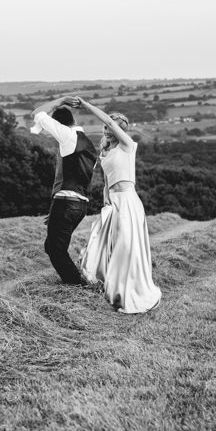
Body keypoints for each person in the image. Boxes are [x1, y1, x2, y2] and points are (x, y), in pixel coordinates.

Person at [75, 97, 162, 313]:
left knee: (126, 245)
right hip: (114, 202)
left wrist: (86, 106)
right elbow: (106, 178)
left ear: (119, 130)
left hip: (129, 201)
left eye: (109, 127)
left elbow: (111, 122)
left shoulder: (127, 145)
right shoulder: (105, 150)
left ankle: (128, 292)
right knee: (110, 244)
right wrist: (106, 197)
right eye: (105, 127)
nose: (106, 129)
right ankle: (110, 284)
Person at [30, 95, 98, 285]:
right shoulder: (89, 146)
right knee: (52, 246)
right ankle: (76, 280)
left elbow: (37, 113)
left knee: (55, 250)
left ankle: (78, 287)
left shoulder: (68, 136)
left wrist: (61, 100)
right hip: (78, 204)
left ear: (59, 125)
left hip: (67, 202)